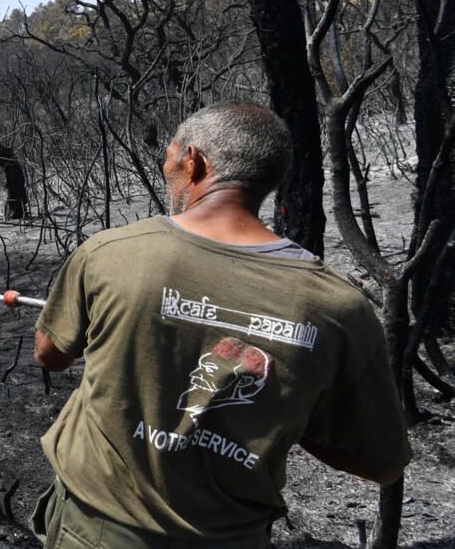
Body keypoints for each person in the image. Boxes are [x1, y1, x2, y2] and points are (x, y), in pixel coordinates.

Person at [31, 102, 410, 549]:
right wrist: (290, 409)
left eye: (169, 159)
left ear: (194, 162)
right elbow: (383, 465)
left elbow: (48, 355)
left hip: (95, 530)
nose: (167, 170)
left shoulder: (111, 253)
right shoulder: (339, 307)